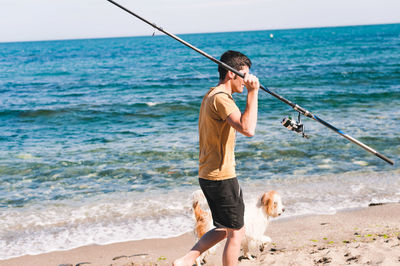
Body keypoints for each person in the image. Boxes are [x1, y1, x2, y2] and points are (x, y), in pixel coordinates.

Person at [173, 50, 259, 266]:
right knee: (236, 233)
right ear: (232, 74)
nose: (247, 79)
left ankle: (185, 260)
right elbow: (248, 129)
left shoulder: (211, 94)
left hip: (209, 174)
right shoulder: (221, 99)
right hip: (221, 176)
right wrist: (253, 92)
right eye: (245, 74)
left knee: (223, 228)